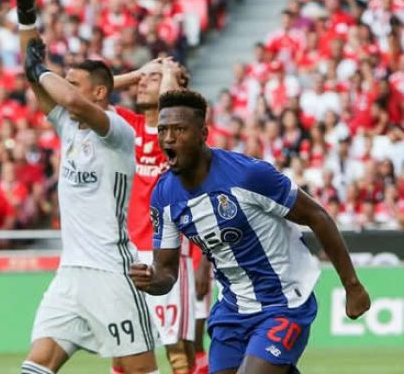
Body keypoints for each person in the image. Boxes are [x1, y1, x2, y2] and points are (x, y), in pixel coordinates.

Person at [130, 90, 371, 374]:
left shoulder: (248, 176)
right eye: (163, 130)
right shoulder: (164, 196)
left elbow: (317, 216)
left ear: (202, 134)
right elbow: (166, 271)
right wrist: (151, 279)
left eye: (179, 129)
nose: (168, 138)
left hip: (284, 301)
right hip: (232, 309)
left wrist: (352, 286)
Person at [13, 0, 159, 374]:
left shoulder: (115, 131)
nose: (64, 91)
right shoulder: (67, 126)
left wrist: (41, 70)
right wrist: (26, 15)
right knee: (38, 362)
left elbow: (64, 93)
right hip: (71, 273)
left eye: (74, 83)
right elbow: (34, 75)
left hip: (113, 272)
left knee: (140, 369)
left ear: (100, 92)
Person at [112, 59, 198, 374]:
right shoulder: (125, 127)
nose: (144, 83)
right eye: (143, 78)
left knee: (177, 350)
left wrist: (169, 74)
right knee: (123, 345)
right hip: (129, 252)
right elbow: (89, 96)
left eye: (155, 79)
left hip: (168, 251)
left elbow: (171, 109)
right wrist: (139, 72)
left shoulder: (185, 134)